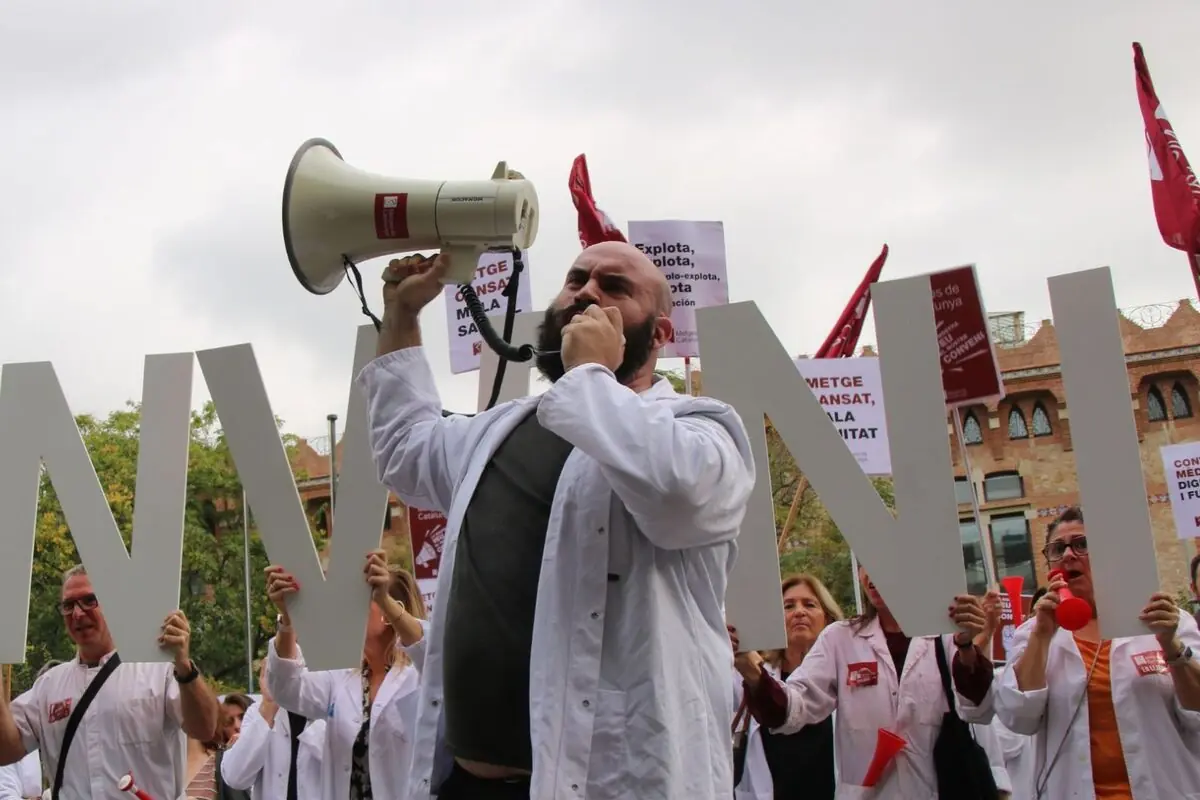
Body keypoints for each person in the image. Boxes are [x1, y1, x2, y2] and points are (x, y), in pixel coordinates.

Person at [355, 244, 755, 799]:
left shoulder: (701, 428)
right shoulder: (498, 430)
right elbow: (405, 450)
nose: (586, 292)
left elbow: (678, 500)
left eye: (614, 287)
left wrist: (591, 372)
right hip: (466, 783)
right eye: (576, 279)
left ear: (660, 335)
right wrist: (401, 315)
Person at [997, 505, 1200, 798]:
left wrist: (1171, 645)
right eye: (1057, 549)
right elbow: (1019, 718)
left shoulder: (1166, 621)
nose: (1068, 555)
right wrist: (1042, 636)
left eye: (1082, 544)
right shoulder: (1032, 633)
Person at [746, 564, 995, 797]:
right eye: (864, 562)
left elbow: (978, 709)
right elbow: (795, 706)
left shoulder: (944, 636)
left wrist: (965, 645)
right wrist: (750, 670)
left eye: (885, 558)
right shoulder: (840, 639)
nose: (872, 570)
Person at [0, 565, 220, 799]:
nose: (77, 613)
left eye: (89, 600)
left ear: (115, 603)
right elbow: (5, 751)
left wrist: (184, 667)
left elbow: (205, 728)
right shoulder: (48, 686)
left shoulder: (159, 672)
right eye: (68, 605)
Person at [266, 551, 426, 800]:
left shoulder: (419, 676)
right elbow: (287, 689)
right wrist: (288, 619)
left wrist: (383, 598)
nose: (351, 609)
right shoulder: (341, 677)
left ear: (389, 611)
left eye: (364, 600)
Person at [729, 574, 844, 799]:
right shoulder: (749, 674)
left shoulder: (847, 673)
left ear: (828, 619)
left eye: (810, 604)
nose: (799, 611)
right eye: (788, 606)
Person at [220, 659, 326, 800]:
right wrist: (268, 708)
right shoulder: (257, 713)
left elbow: (343, 765)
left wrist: (309, 712)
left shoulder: (328, 710)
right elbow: (235, 777)